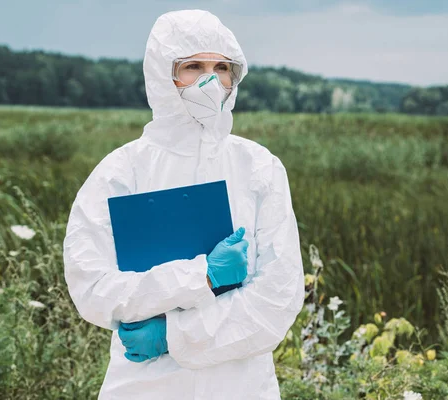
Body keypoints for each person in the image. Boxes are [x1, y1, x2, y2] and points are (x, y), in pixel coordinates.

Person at [63, 9, 304, 400]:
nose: (210, 80)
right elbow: (93, 287)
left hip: (240, 387)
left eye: (222, 67)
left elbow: (277, 300)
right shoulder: (121, 173)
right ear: (162, 74)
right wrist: (202, 277)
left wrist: (174, 336)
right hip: (143, 385)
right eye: (192, 66)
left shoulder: (259, 168)